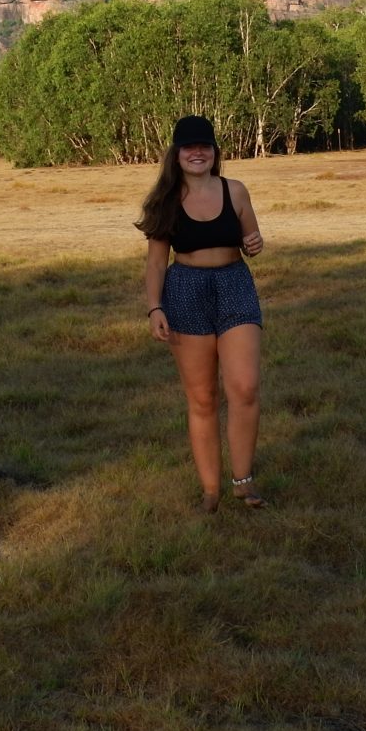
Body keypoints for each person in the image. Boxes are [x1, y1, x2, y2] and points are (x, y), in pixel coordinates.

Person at [138, 114, 267, 512]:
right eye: (189, 146)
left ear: (215, 152)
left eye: (205, 146)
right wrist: (155, 307)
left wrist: (255, 243)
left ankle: (243, 483)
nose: (197, 152)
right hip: (185, 291)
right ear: (176, 154)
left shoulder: (237, 191)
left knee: (244, 387)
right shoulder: (165, 201)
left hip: (234, 286)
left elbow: (251, 240)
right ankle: (211, 492)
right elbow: (157, 263)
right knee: (202, 398)